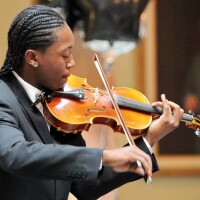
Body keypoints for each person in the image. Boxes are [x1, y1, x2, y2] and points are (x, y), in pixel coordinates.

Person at [0, 5, 183, 200]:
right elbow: (15, 155)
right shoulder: (4, 97)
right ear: (32, 57)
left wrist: (150, 136)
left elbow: (86, 187)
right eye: (65, 54)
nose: (72, 63)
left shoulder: (60, 106)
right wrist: (104, 155)